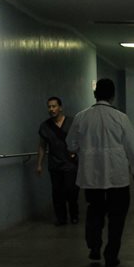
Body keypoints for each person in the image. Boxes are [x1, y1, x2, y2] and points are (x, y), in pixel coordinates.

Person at [66, 78, 134, 267]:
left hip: (92, 178)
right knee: (117, 218)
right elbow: (132, 147)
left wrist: (81, 150)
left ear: (95, 94)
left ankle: (94, 246)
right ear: (113, 95)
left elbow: (70, 144)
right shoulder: (121, 118)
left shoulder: (81, 117)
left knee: (94, 212)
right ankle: (111, 254)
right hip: (118, 178)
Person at [35, 96, 79, 225]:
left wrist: (77, 154)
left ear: (60, 107)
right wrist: (39, 164)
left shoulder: (72, 122)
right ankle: (61, 218)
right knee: (57, 193)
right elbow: (42, 145)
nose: (51, 109)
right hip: (55, 165)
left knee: (71, 190)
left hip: (70, 164)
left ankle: (74, 215)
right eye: (49, 107)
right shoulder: (45, 126)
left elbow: (80, 140)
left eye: (54, 106)